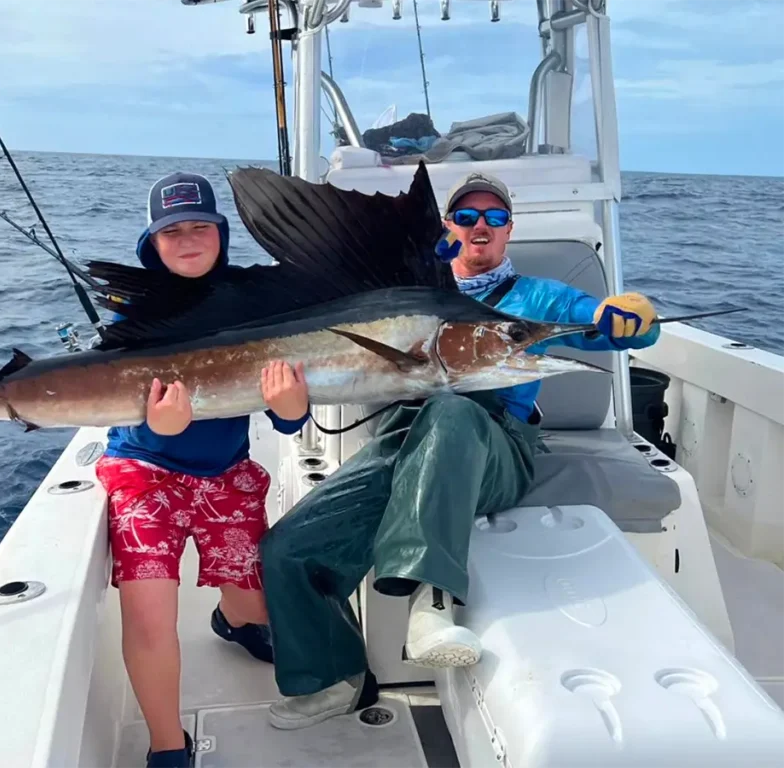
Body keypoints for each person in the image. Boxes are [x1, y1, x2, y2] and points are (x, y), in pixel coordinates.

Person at [258, 170, 661, 730]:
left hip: (497, 445)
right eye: (467, 216)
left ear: (509, 231)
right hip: (406, 442)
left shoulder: (536, 297)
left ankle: (435, 601)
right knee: (288, 548)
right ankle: (333, 680)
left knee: (452, 409)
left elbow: (606, 327)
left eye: (494, 217)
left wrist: (630, 319)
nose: (480, 226)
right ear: (450, 227)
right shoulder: (418, 292)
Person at [95, 172, 310, 767]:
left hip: (226, 473)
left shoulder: (256, 300)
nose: (187, 240)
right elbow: (124, 400)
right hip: (144, 471)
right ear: (153, 243)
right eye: (172, 232)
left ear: (220, 233)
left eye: (200, 227)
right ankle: (168, 744)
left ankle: (232, 619)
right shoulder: (135, 314)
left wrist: (293, 414)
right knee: (149, 610)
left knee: (255, 609)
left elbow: (285, 408)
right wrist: (154, 429)